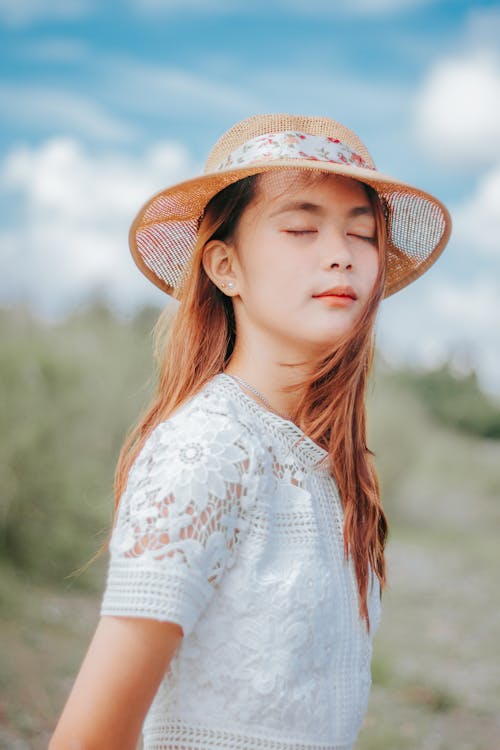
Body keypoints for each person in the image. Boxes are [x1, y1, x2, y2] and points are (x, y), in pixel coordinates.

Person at [49, 113, 451, 750]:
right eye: (299, 227)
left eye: (363, 233)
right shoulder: (206, 450)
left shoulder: (330, 467)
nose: (341, 252)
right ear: (224, 267)